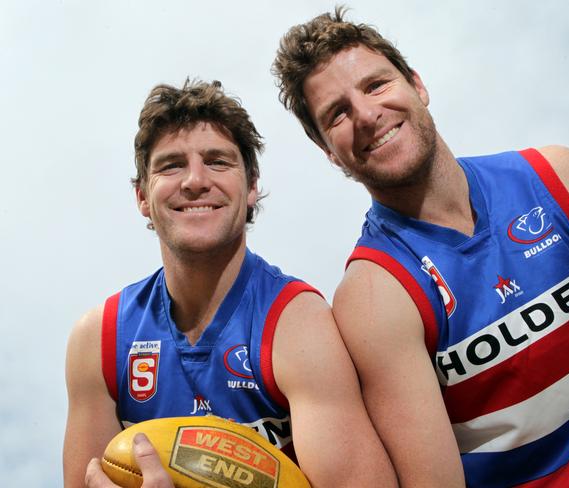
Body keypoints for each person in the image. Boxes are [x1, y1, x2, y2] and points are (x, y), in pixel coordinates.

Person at [271, 7, 569, 487]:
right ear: (329, 150)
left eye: (375, 86)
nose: (367, 115)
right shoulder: (375, 297)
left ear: (417, 85)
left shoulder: (555, 177)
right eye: (338, 114)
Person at [64, 79, 398, 488]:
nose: (195, 181)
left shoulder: (297, 325)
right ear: (142, 197)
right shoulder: (100, 337)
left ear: (252, 185)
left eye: (218, 161)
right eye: (171, 165)